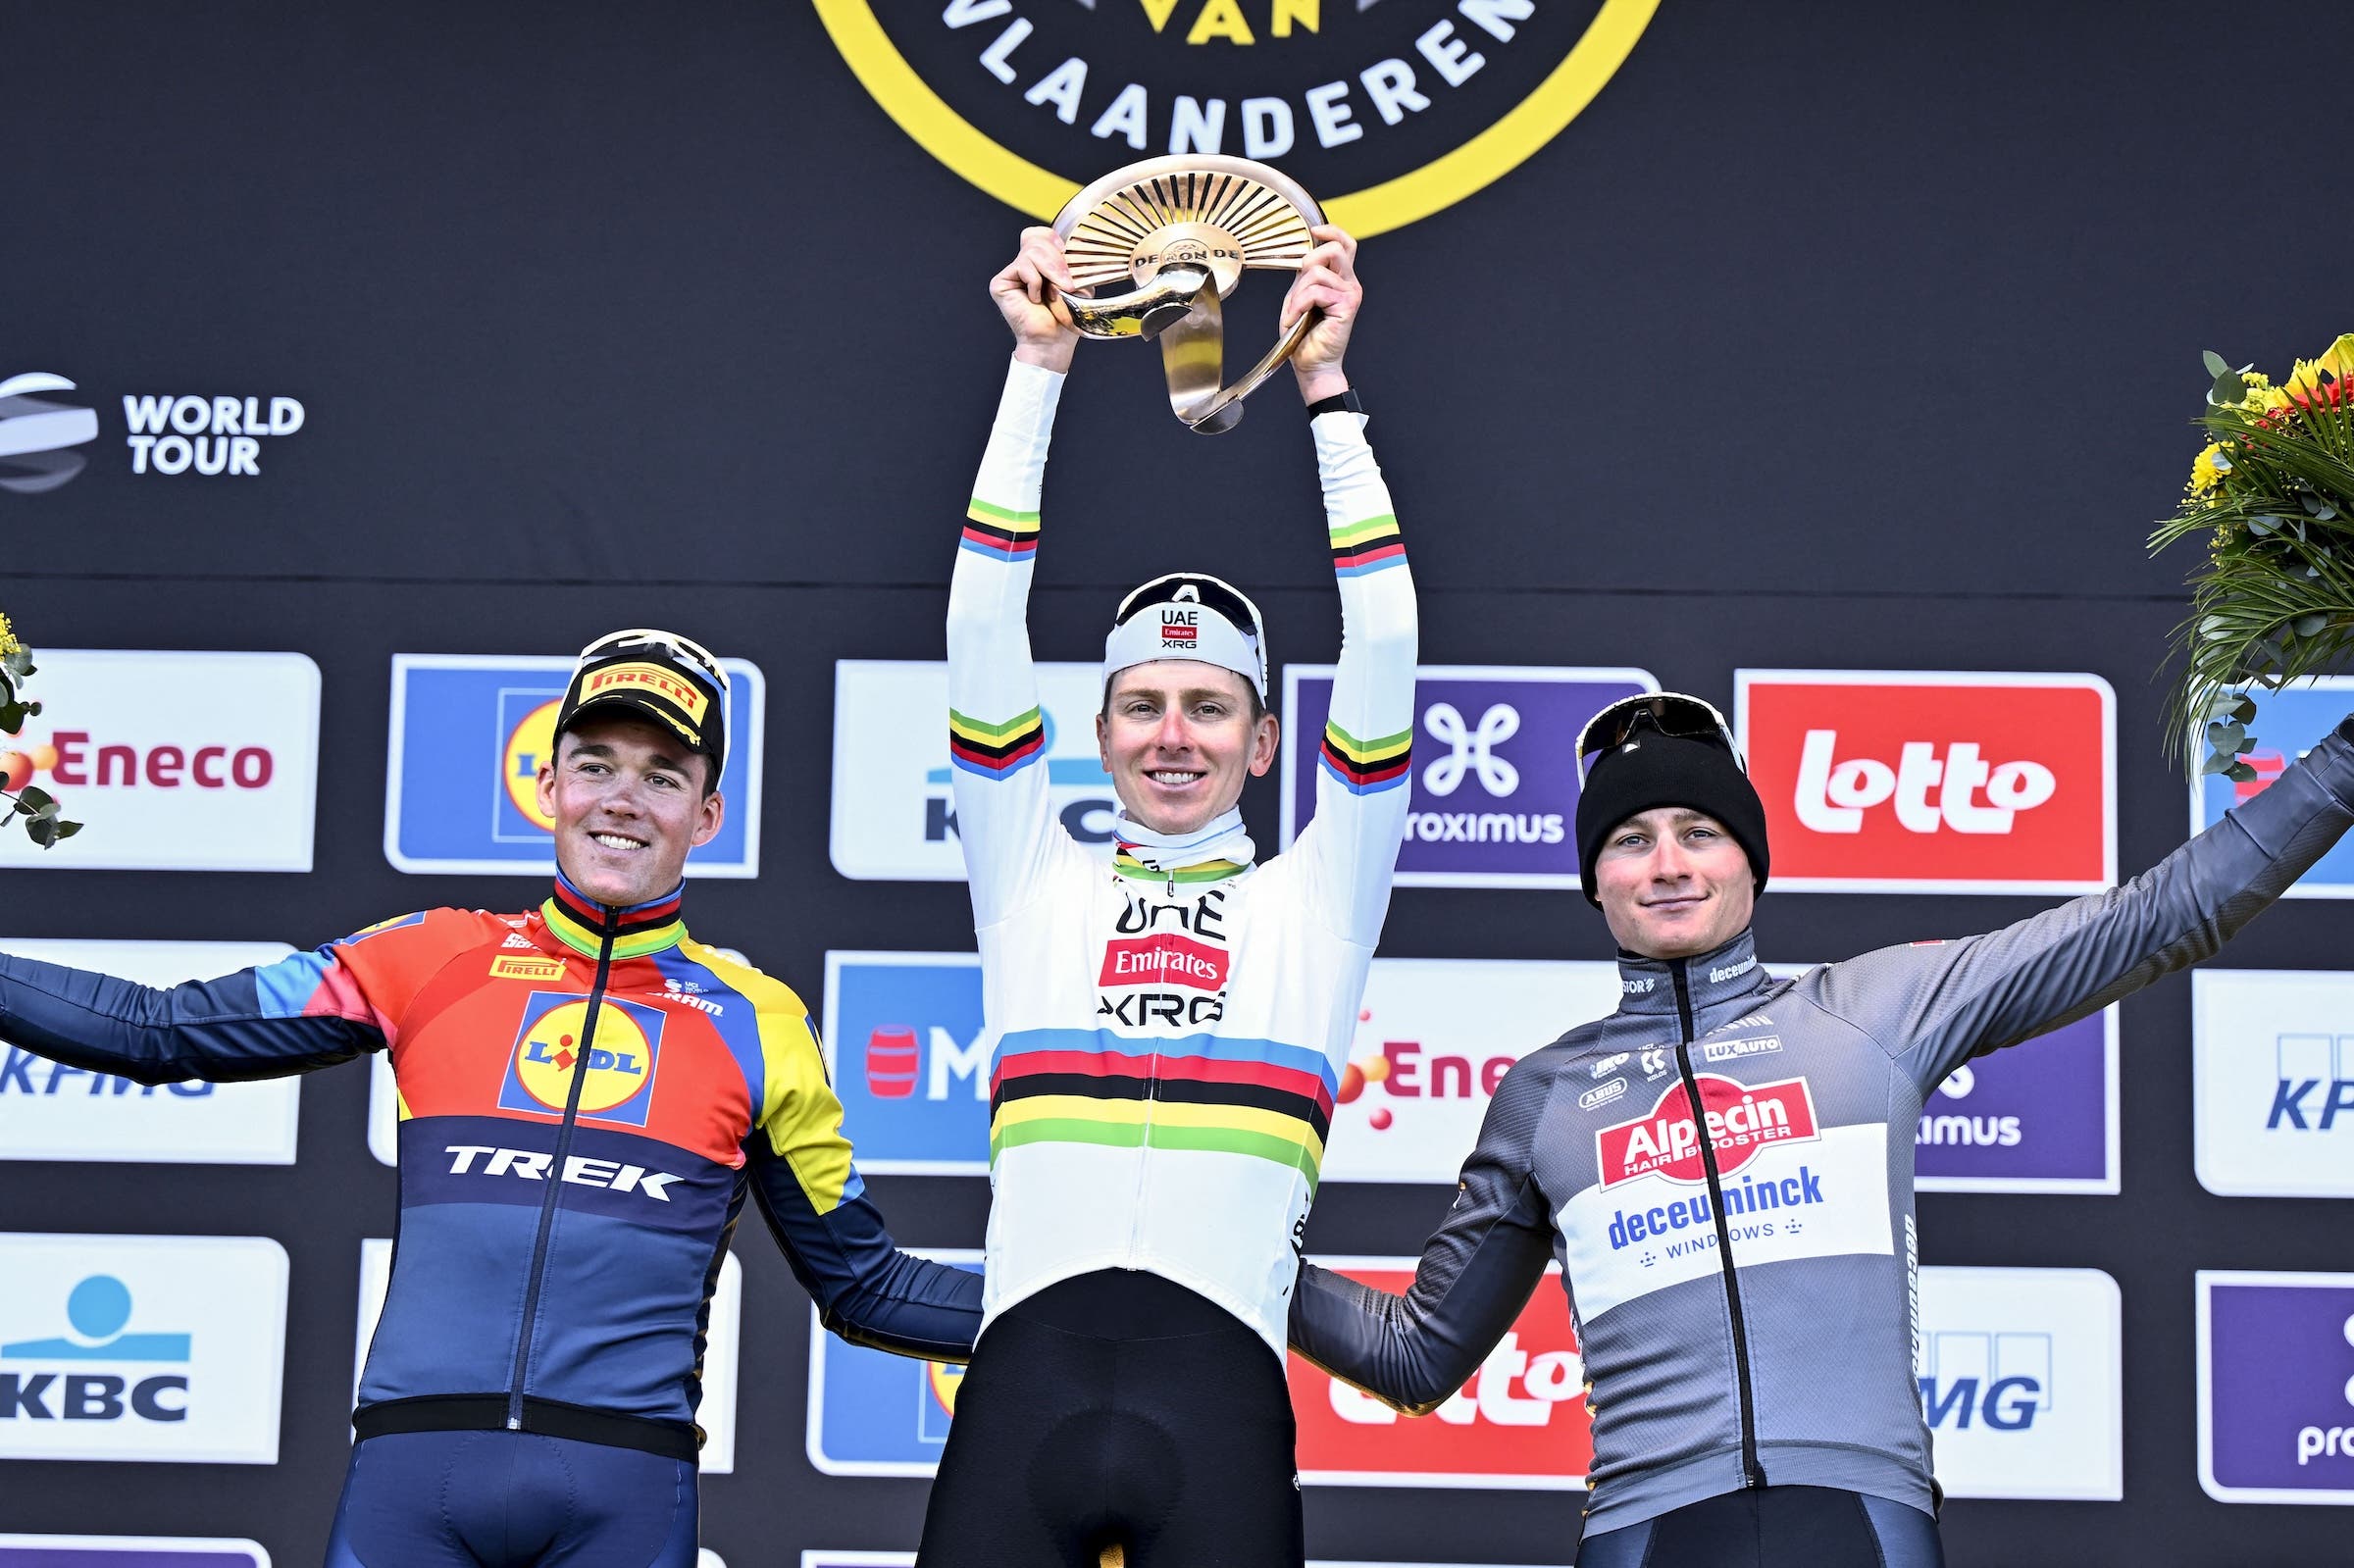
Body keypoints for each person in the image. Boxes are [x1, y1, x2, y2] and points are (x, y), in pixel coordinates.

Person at [1287, 691, 2354, 1567]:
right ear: (1594, 882)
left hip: (1859, 1519)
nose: (1668, 865)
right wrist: (1203, 1248)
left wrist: (2346, 759)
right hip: (1645, 1533)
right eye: (1631, 839)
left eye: (1700, 833)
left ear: (1751, 860)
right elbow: (1417, 1353)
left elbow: (2160, 917)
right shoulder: (1545, 1095)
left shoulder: (1875, 1011)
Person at [0, 629, 982, 1567]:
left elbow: (866, 1287)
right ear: (547, 785)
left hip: (626, 1494)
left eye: (664, 777)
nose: (623, 800)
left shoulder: (759, 1022)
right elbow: (158, 1032)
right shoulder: (429, 957)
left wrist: (1111, 1306)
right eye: (596, 764)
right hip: (411, 1489)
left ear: (708, 815)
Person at [917, 225, 1415, 1568]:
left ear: (1266, 740)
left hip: (1224, 1404)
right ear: (1101, 726)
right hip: (1021, 1392)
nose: (1173, 733)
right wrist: (1039, 369)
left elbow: (1388, 640)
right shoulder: (1032, 875)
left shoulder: (1317, 899)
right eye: (1142, 703)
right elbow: (979, 627)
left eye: (1210, 705)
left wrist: (1323, 387)